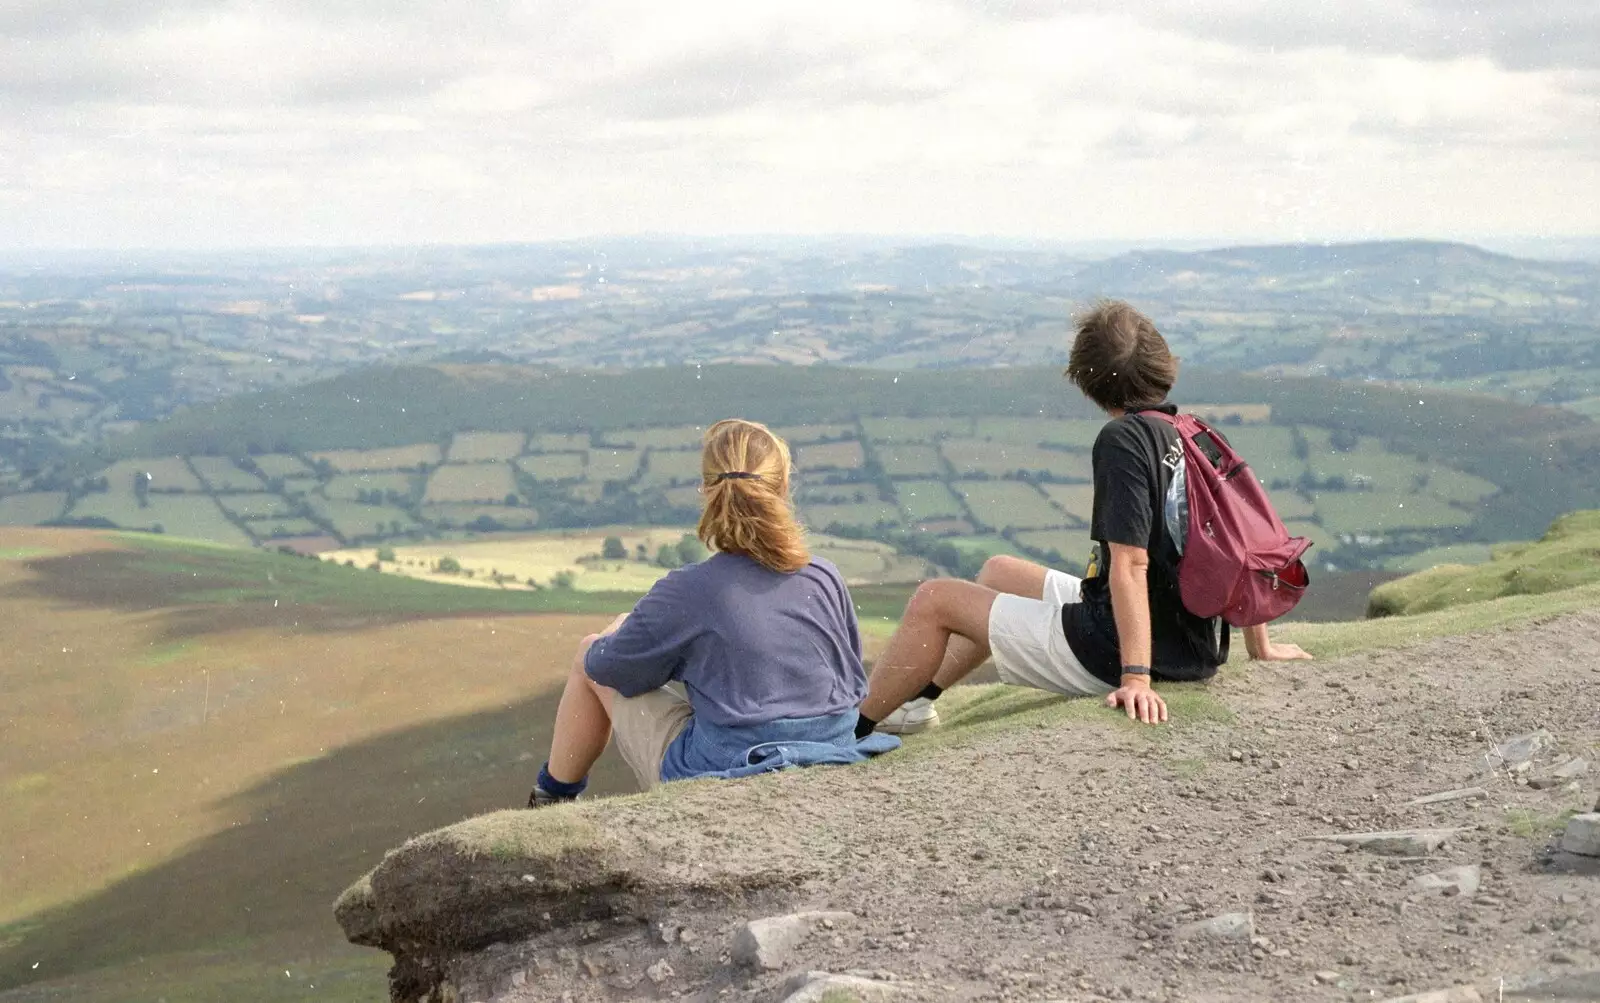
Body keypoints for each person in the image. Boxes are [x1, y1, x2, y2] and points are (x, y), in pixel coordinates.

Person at [856, 301, 1311, 736]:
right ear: (1161, 366)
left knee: (935, 598)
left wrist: (1136, 678)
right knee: (998, 571)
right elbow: (1242, 544)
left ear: (1088, 378)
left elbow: (1131, 564)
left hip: (1117, 650)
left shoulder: (1123, 441)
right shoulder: (1193, 433)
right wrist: (1260, 647)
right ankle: (912, 705)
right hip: (1187, 642)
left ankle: (852, 728)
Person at [528, 418, 897, 807]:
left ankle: (551, 796)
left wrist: (621, 636)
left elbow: (609, 670)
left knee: (589, 653)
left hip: (731, 766)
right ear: (783, 488)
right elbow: (847, 672)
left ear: (706, 491)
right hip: (834, 749)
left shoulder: (688, 590)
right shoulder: (824, 574)